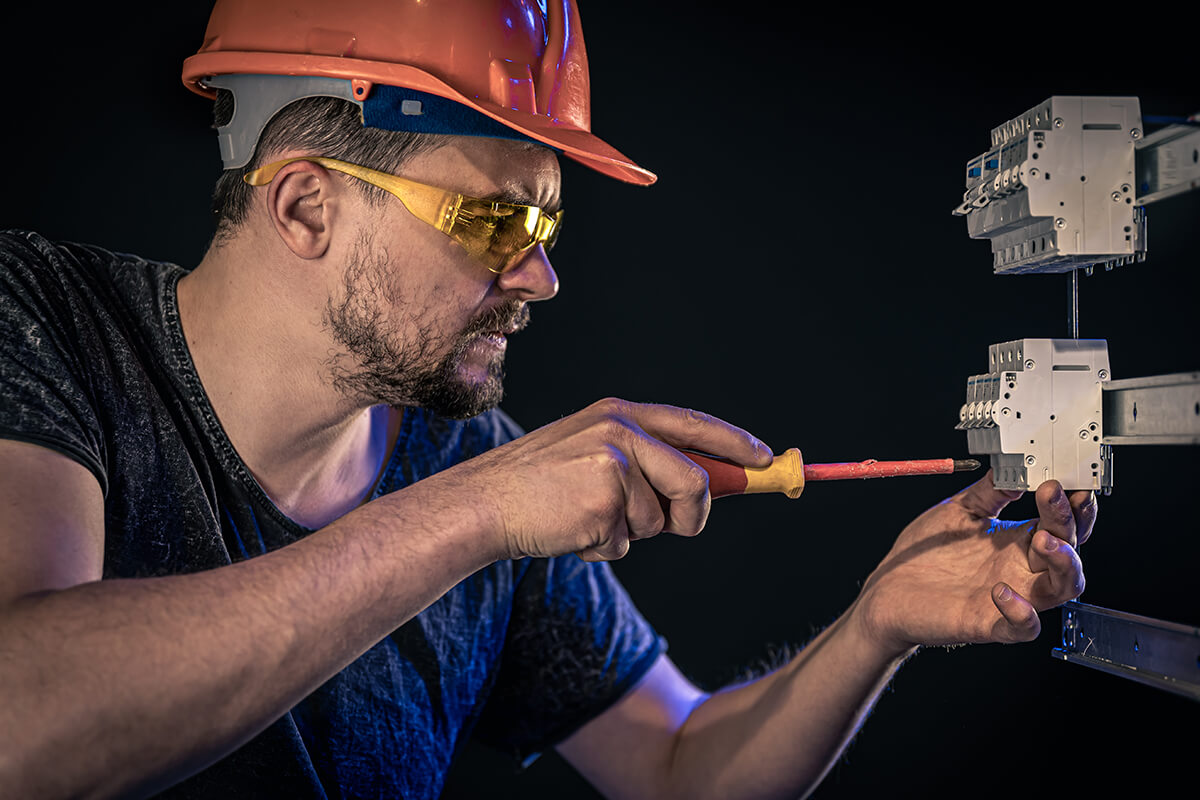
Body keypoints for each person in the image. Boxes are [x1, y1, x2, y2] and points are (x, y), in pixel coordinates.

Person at [0, 1, 1096, 797]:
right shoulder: (42, 318)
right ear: (302, 208)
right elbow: (23, 721)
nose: (540, 278)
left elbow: (679, 769)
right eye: (495, 224)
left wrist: (875, 627)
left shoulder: (463, 456)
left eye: (547, 228)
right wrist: (475, 513)